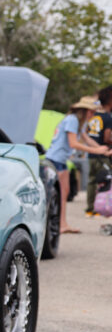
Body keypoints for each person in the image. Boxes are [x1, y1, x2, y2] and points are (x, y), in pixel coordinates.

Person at [48, 97, 111, 233]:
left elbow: (87, 139)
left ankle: (62, 224)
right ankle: (59, 224)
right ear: (85, 111)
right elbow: (73, 143)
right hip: (55, 159)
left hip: (62, 160)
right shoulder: (72, 120)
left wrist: (103, 150)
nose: (93, 115)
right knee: (60, 193)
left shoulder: (80, 122)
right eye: (92, 112)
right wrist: (96, 150)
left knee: (65, 192)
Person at [85, 85, 112, 216]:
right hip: (102, 153)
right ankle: (100, 207)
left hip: (91, 153)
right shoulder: (108, 118)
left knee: (91, 181)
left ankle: (89, 208)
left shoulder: (93, 115)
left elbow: (86, 133)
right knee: (103, 180)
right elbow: (107, 137)